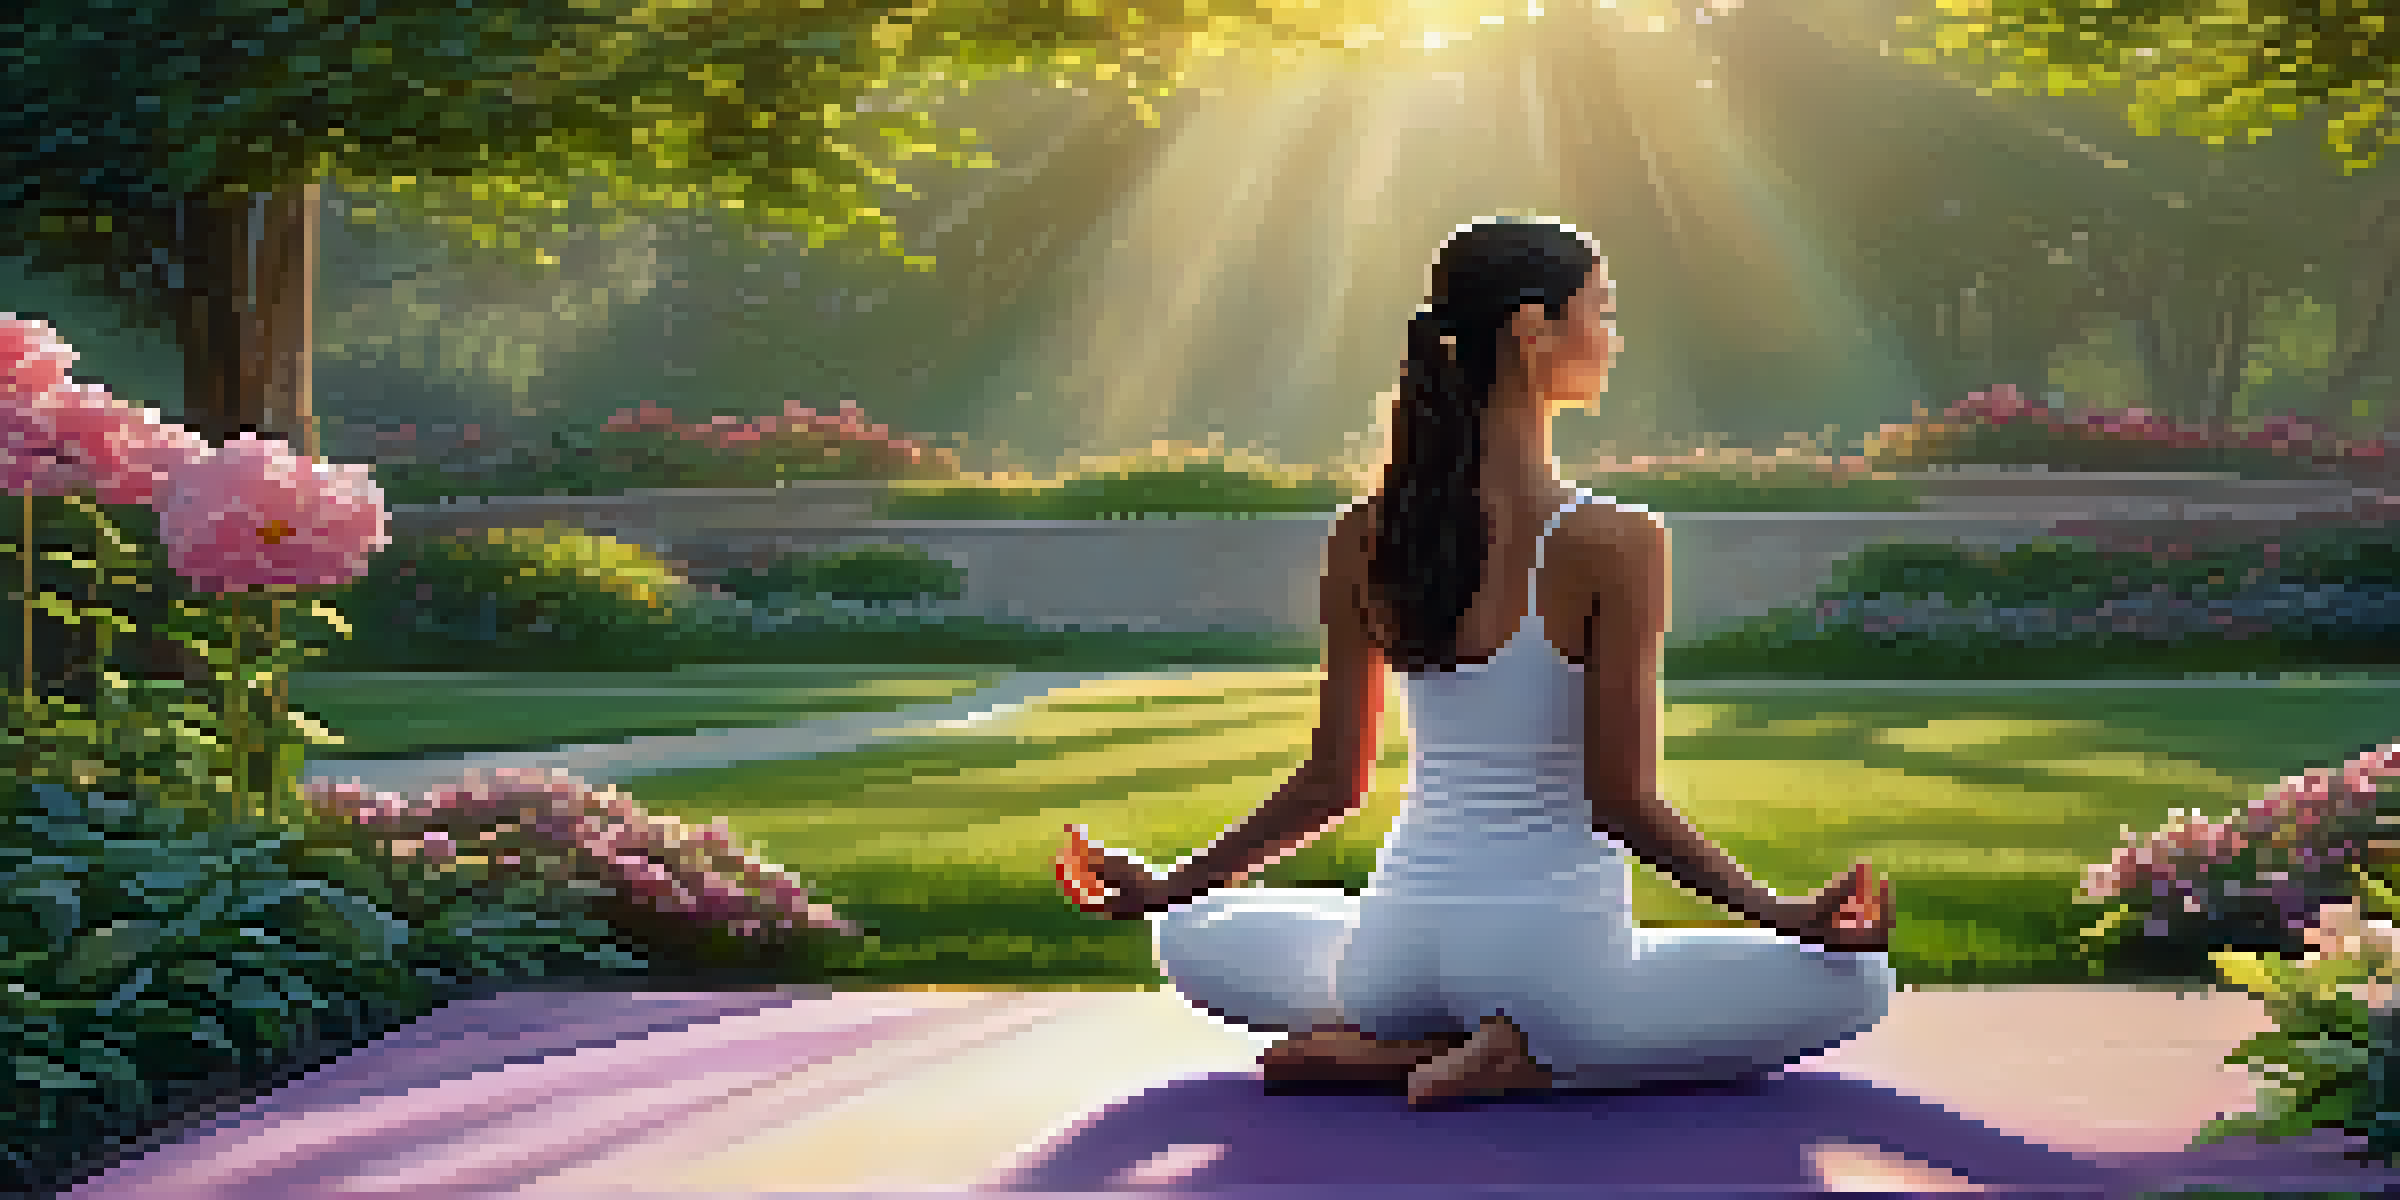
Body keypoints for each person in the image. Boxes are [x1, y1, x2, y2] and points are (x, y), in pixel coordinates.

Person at [1054, 215, 1897, 1109]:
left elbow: (1333, 782)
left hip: (1396, 949)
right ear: (1533, 330)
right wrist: (1781, 913)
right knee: (1855, 986)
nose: (1612, 339)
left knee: (1193, 934)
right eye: (1599, 312)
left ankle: (1395, 1044)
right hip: (1555, 971)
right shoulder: (1617, 540)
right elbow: (1619, 800)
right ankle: (1528, 1058)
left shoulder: (1370, 532)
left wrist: (1169, 887)